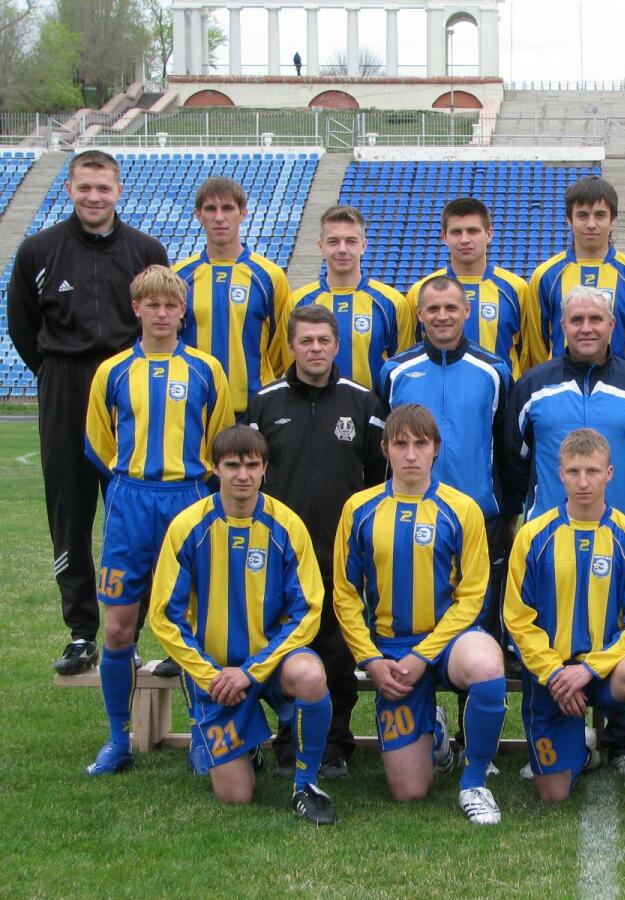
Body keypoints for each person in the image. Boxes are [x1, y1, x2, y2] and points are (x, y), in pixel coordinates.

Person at [8, 149, 169, 674]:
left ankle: (130, 633)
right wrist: (57, 373)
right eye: (85, 187)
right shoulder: (38, 250)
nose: (94, 197)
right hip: (65, 385)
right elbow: (22, 325)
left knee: (132, 511)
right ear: (69, 189)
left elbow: (161, 314)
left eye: (103, 188)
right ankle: (80, 632)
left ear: (119, 190)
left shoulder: (146, 250)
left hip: (128, 387)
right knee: (69, 511)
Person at [82, 265, 232, 775]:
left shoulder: (207, 370)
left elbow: (220, 439)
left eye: (171, 305)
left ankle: (202, 734)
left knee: (196, 620)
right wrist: (130, 483)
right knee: (118, 626)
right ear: (137, 309)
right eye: (153, 305)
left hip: (187, 497)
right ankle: (117, 738)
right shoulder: (113, 372)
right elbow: (99, 443)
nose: (162, 314)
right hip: (131, 500)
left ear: (183, 310)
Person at [149, 425, 336, 825]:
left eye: (252, 465)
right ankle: (242, 744)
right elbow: (164, 615)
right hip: (217, 674)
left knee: (310, 675)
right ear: (214, 468)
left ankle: (306, 785)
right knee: (235, 797)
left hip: (271, 664)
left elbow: (308, 611)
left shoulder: (286, 525)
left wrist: (251, 671)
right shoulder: (187, 528)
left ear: (265, 468)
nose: (243, 475)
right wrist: (210, 675)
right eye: (232, 465)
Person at [333, 404, 508, 825]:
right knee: (409, 792)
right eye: (400, 444)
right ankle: (437, 738)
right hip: (392, 651)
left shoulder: (462, 508)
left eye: (420, 444)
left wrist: (424, 655)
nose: (411, 454)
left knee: (487, 664)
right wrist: (370, 660)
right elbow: (345, 593)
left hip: (450, 642)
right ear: (384, 449)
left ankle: (474, 782)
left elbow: (473, 596)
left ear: (436, 449)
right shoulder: (359, 508)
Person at [504, 428, 625, 836]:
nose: (583, 481)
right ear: (559, 473)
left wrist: (589, 669)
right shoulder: (533, 536)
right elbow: (518, 620)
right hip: (554, 677)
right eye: (574, 471)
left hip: (606, 672)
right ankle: (581, 751)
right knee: (553, 793)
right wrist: (555, 672)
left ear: (609, 473)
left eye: (592, 471)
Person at [247, 303, 388, 779]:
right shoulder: (265, 403)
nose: (315, 349)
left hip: (339, 550)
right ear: (291, 346)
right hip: (281, 552)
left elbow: (377, 477)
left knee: (336, 650)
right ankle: (289, 743)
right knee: (284, 644)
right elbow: (251, 473)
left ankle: (334, 746)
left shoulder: (363, 403)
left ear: (336, 345)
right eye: (305, 341)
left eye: (323, 340)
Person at [380, 277, 512, 641]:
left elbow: (503, 445)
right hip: (411, 513)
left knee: (481, 625)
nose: (442, 316)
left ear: (467, 311)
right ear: (419, 313)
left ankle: (482, 679)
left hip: (479, 515)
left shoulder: (494, 370)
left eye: (451, 307)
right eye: (434, 309)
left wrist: (506, 511)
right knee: (414, 616)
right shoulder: (395, 371)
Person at [505, 285, 625, 531]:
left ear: (611, 325)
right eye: (576, 320)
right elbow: (514, 457)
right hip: (547, 531)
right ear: (563, 326)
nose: (586, 328)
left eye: (595, 319)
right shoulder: (532, 385)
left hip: (624, 529)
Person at [174, 176, 291, 417]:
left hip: (254, 409)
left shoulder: (270, 276)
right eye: (210, 209)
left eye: (227, 208)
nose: (219, 217)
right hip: (194, 408)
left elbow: (280, 344)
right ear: (198, 215)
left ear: (243, 213)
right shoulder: (179, 277)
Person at [525, 176, 625, 368]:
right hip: (560, 382)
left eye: (600, 215)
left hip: (619, 383)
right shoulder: (545, 276)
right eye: (582, 215)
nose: (591, 224)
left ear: (613, 219)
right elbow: (537, 345)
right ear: (569, 219)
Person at [288, 205, 414, 395]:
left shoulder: (391, 302)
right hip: (311, 408)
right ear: (320, 246)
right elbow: (290, 361)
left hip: (373, 410)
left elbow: (403, 367)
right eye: (333, 241)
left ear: (363, 245)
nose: (342, 249)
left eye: (351, 241)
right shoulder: (298, 301)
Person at [408, 197, 530, 376]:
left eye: (473, 231)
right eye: (456, 232)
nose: (464, 239)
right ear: (444, 237)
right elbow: (410, 355)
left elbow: (527, 354)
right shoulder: (420, 291)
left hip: (502, 392)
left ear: (489, 234)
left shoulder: (517, 289)